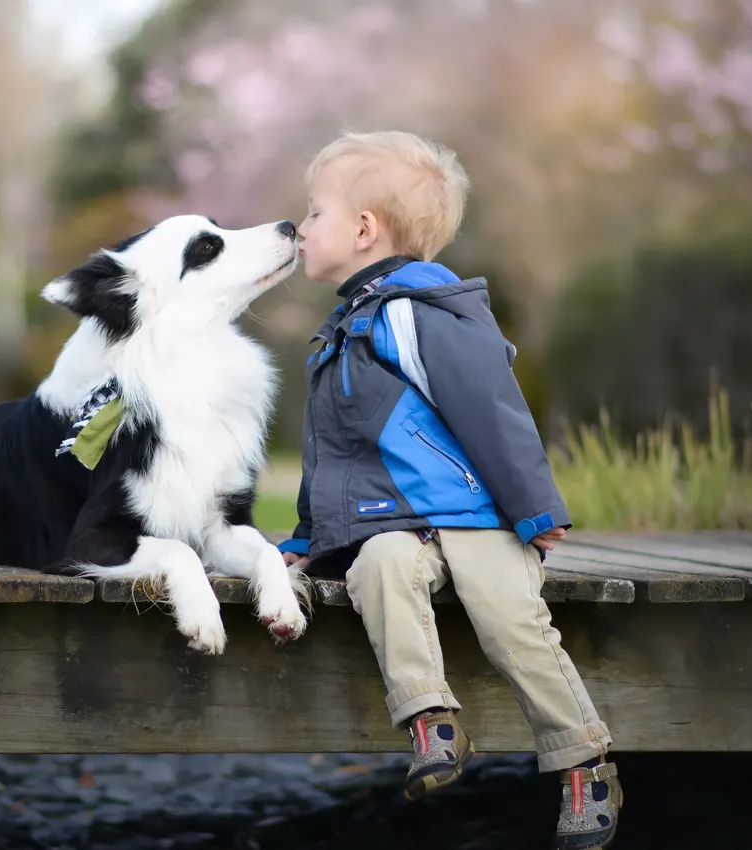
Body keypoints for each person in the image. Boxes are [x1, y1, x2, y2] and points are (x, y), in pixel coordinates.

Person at [277, 130, 621, 849]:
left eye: (313, 213)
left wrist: (534, 509)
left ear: (365, 229)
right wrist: (307, 542)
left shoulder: (419, 315)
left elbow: (492, 411)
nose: (300, 228)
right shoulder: (342, 330)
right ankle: (431, 721)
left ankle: (582, 761)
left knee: (512, 622)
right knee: (379, 567)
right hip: (392, 524)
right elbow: (332, 457)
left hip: (477, 518)